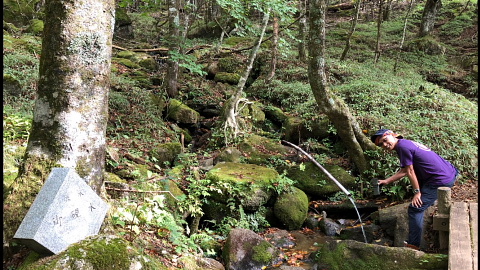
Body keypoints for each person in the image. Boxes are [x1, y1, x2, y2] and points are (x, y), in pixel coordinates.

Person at [370, 128, 459, 250]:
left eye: (385, 140)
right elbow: (405, 170)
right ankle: (430, 200)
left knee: (415, 209)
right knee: (421, 196)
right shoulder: (405, 143)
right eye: (381, 144)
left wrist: (417, 192)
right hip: (449, 171)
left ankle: (413, 246)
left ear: (392, 135)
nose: (385, 145)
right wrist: (387, 181)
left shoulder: (402, 147)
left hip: (441, 180)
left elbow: (410, 171)